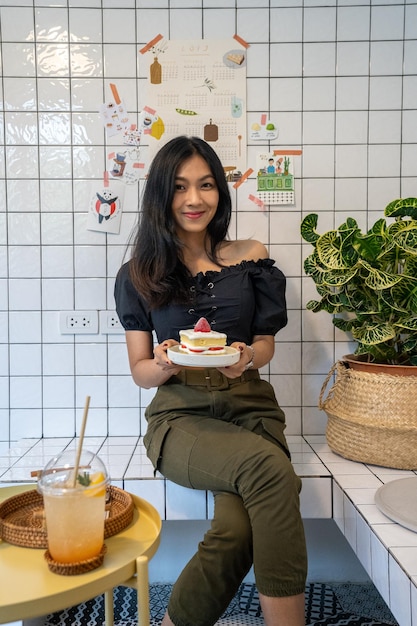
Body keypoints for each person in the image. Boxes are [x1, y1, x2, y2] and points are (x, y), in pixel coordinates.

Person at [114, 135, 307, 626]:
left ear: (220, 191)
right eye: (179, 187)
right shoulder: (139, 272)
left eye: (205, 185)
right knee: (270, 472)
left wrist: (246, 357)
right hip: (181, 417)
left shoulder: (250, 256)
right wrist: (163, 364)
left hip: (251, 408)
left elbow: (265, 343)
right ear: (161, 195)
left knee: (237, 529)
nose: (194, 199)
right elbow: (141, 372)